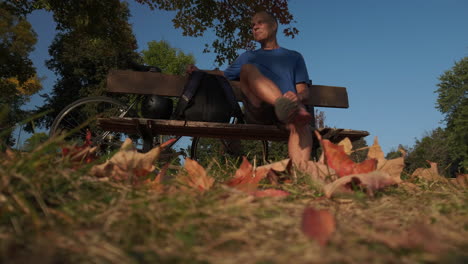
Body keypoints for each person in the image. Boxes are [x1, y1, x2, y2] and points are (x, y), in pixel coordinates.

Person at [187, 11, 313, 168]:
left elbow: (304, 91)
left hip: (288, 115)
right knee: (247, 69)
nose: (255, 27)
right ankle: (284, 105)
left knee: (298, 120)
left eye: (260, 23)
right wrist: (200, 70)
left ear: (274, 26)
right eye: (252, 25)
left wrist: (297, 98)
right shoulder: (248, 56)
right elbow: (224, 74)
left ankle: (300, 174)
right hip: (259, 110)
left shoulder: (294, 57)